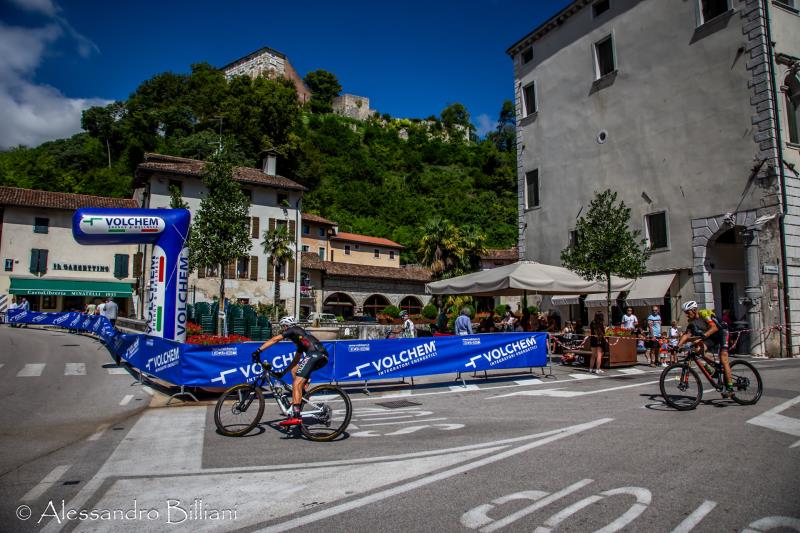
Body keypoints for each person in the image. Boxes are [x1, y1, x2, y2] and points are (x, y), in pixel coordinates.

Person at [252, 316, 329, 426]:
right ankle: (300, 397)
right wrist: (283, 372)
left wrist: (258, 350)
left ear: (285, 326)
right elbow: (296, 360)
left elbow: (275, 339)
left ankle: (296, 415)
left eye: (282, 327)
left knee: (296, 383)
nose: (283, 330)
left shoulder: (294, 329)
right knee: (295, 370)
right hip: (321, 356)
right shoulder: (300, 339)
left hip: (315, 355)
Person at [678, 301, 734, 398]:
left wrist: (701, 338)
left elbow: (714, 327)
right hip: (711, 336)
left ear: (694, 310)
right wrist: (678, 346)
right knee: (698, 349)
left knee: (723, 359)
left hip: (722, 332)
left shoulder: (704, 313)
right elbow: (687, 335)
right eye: (685, 313)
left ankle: (730, 388)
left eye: (688, 312)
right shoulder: (691, 321)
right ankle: (714, 368)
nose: (686, 315)